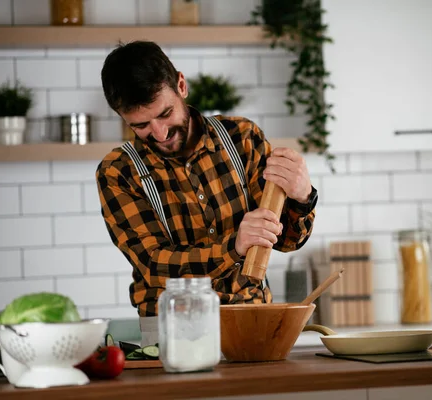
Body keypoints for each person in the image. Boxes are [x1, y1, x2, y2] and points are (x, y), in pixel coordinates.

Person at [95, 41, 318, 345]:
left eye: (165, 113)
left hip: (251, 317)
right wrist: (234, 248)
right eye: (142, 125)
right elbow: (155, 263)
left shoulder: (242, 138)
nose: (160, 133)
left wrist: (303, 197)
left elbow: (289, 241)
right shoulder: (118, 172)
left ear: (181, 86)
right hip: (170, 330)